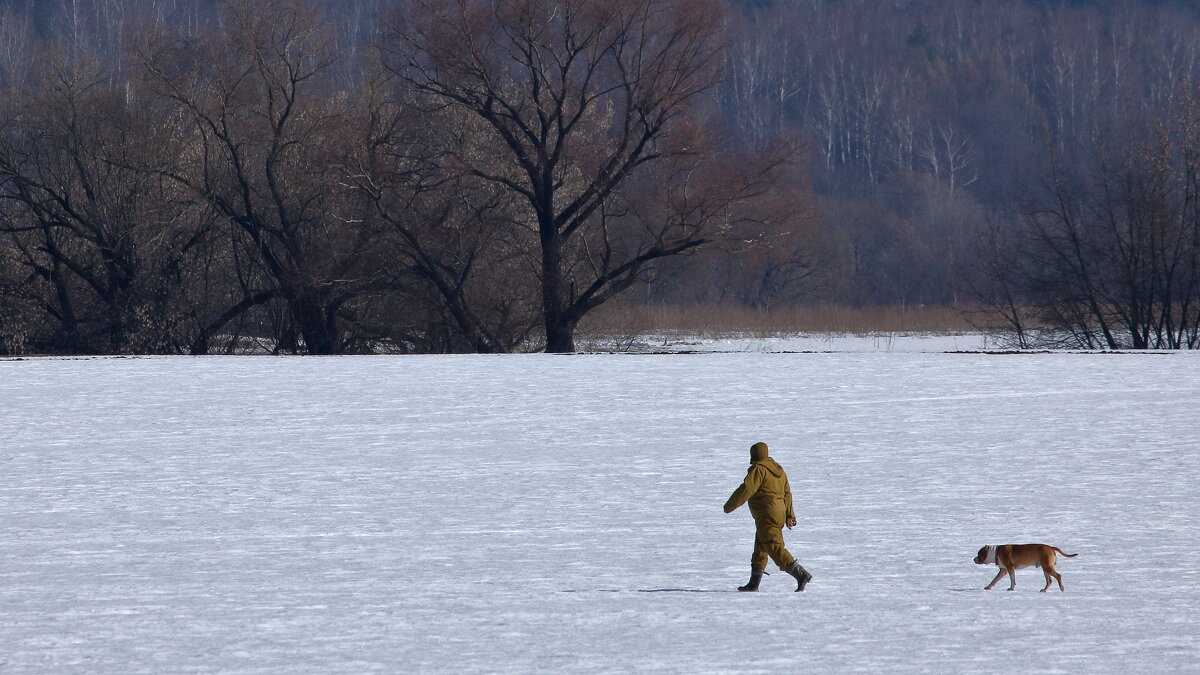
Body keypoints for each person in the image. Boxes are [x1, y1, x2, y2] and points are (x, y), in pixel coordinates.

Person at [723, 441, 812, 592]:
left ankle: (801, 574)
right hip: (778, 513)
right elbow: (787, 493)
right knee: (761, 548)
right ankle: (753, 584)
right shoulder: (779, 471)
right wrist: (790, 515)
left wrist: (729, 506)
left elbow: (746, 489)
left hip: (766, 514)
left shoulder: (759, 470)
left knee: (774, 548)